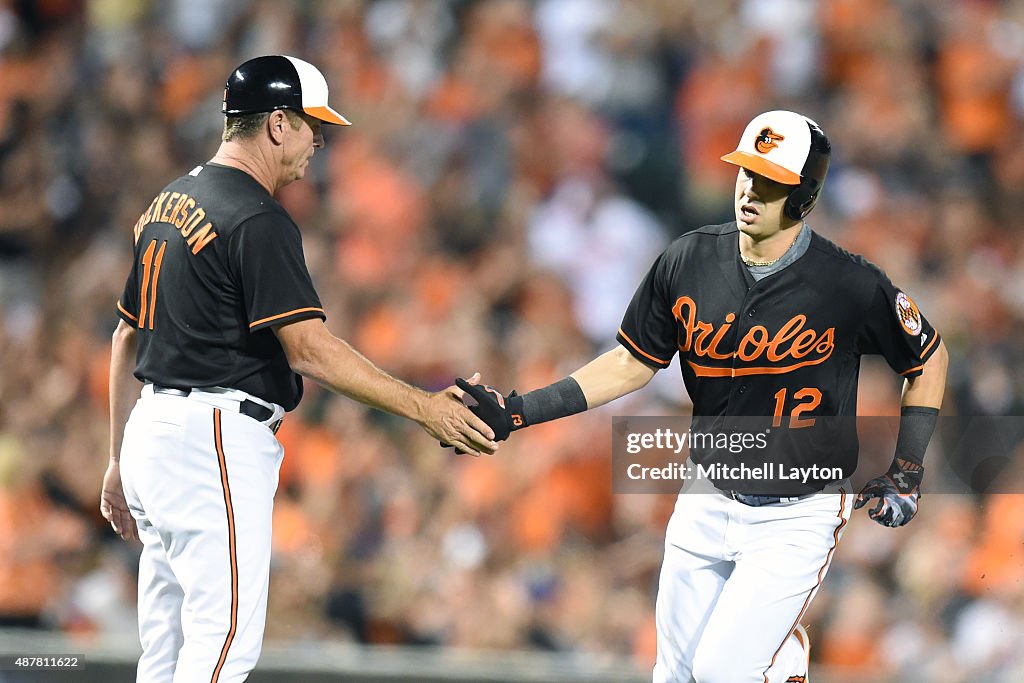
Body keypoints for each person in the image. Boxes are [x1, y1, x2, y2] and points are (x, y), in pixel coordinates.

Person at [457, 110, 948, 682]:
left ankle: (785, 661)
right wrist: (520, 409)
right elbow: (629, 363)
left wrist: (908, 467)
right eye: (746, 172)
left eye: (771, 182)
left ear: (804, 197)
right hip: (707, 490)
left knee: (722, 672)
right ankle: (779, 657)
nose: (750, 190)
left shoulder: (847, 283)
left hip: (797, 511)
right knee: (675, 674)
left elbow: (928, 356)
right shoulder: (688, 259)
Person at [98, 55, 497, 683]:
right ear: (278, 123)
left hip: (151, 430)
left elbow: (125, 337)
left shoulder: (166, 202)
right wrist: (424, 407)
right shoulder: (256, 216)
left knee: (168, 651)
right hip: (211, 439)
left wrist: (118, 458)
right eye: (314, 126)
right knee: (224, 642)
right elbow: (309, 350)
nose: (320, 142)